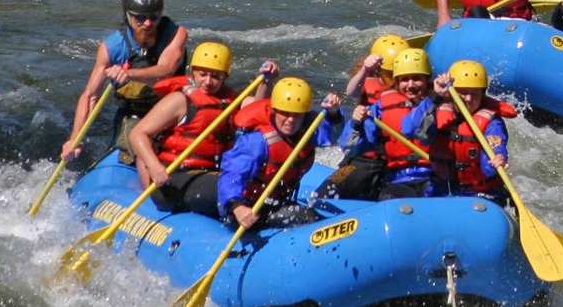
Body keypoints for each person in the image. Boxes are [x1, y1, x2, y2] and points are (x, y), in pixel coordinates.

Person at [127, 41, 272, 216]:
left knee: (256, 185)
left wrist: (267, 82)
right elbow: (138, 134)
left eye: (216, 76)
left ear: (225, 77)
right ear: (193, 72)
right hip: (175, 179)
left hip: (211, 173)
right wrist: (155, 167)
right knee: (238, 189)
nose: (208, 81)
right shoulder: (179, 101)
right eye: (202, 74)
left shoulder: (231, 100)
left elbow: (258, 108)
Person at [63, 0, 190, 164]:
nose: (147, 23)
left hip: (173, 110)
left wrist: (129, 74)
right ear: (128, 16)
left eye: (154, 17)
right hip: (135, 114)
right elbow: (90, 96)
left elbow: (166, 71)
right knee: (139, 151)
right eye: (140, 18)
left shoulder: (175, 34)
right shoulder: (111, 48)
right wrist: (75, 139)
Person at [215, 77, 344, 229]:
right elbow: (232, 174)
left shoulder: (307, 130)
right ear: (274, 111)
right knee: (306, 216)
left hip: (279, 202)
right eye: (285, 113)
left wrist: (333, 113)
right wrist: (236, 206)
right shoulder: (257, 142)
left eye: (296, 114)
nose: (290, 120)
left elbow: (332, 135)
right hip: (250, 209)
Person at [315, 34, 410, 200]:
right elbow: (351, 92)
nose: (393, 78)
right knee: (323, 194)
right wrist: (365, 70)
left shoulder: (412, 86)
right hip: (364, 159)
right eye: (389, 73)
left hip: (395, 164)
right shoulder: (368, 80)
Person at [429, 60, 515, 207]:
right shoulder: (435, 111)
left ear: (483, 94)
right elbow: (411, 128)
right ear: (451, 93)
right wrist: (434, 95)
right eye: (463, 93)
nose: (469, 99)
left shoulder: (491, 122)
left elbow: (496, 144)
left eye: (474, 94)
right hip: (441, 189)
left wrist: (499, 157)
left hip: (481, 193)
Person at [370, 47, 441, 199]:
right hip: (397, 178)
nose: (410, 85)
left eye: (416, 78)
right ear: (397, 82)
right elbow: (349, 145)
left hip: (433, 177)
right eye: (404, 79)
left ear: (427, 79)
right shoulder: (381, 105)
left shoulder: (440, 103)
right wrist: (356, 122)